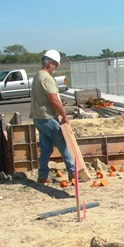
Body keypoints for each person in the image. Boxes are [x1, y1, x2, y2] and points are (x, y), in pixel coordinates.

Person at [30, 49, 75, 184]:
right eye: (56, 65)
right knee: (63, 144)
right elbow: (53, 100)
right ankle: (73, 173)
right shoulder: (47, 78)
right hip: (48, 118)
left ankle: (42, 176)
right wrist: (63, 114)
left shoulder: (37, 76)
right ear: (50, 63)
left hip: (38, 118)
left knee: (46, 148)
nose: (56, 68)